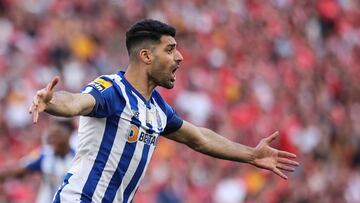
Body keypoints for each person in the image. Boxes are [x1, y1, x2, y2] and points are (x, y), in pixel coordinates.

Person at [29, 19, 299, 203]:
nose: (179, 57)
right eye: (170, 50)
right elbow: (77, 102)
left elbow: (200, 138)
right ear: (146, 56)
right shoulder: (113, 90)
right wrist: (51, 102)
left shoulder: (157, 109)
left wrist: (251, 154)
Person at [0, 120, 75, 203]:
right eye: (51, 136)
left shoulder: (77, 158)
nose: (53, 140)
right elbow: (18, 170)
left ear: (68, 135)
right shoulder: (44, 155)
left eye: (57, 136)